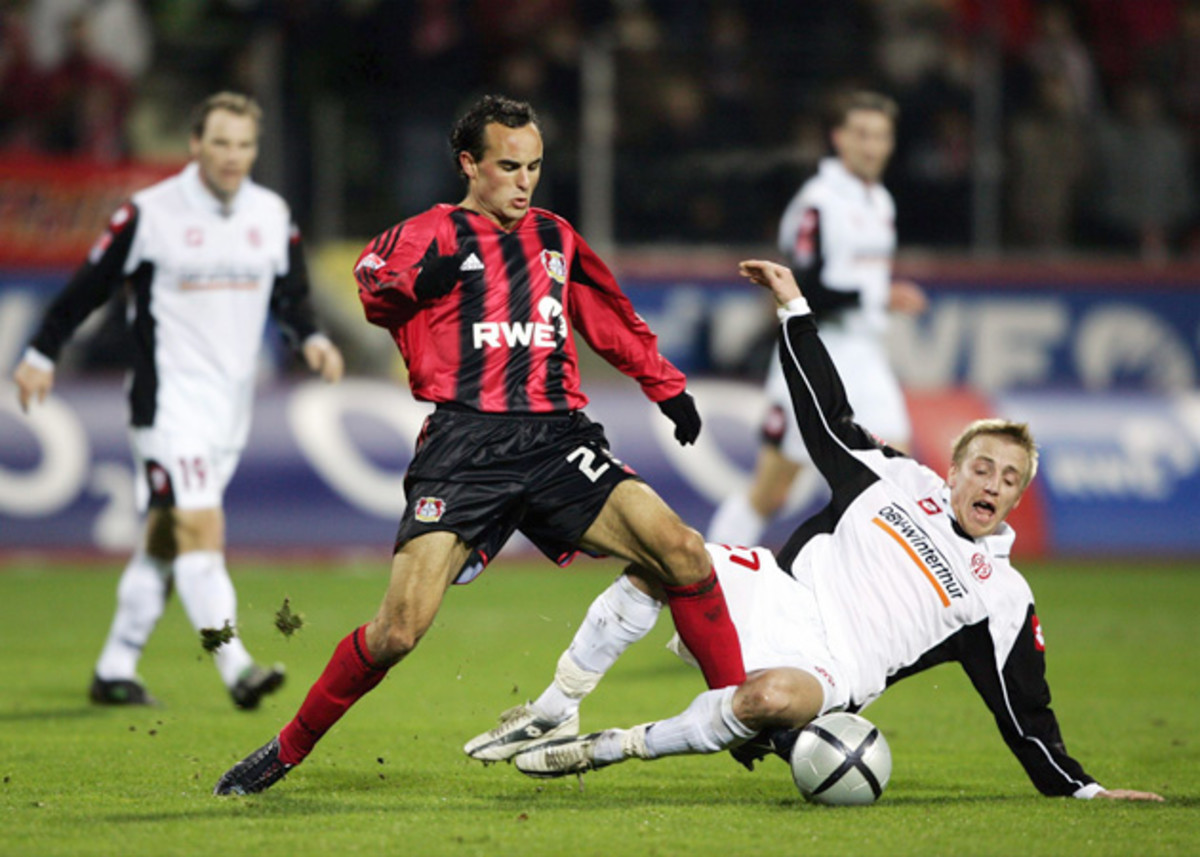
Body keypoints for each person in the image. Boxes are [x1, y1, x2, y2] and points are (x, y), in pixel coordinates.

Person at [470, 260, 1163, 803]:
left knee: (770, 699)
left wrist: (1080, 787)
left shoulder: (1003, 596)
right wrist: (795, 310)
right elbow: (825, 414)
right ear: (952, 469)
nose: (992, 484)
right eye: (982, 467)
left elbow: (1025, 709)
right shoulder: (892, 478)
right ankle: (557, 706)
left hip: (836, 667)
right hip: (776, 590)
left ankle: (606, 748)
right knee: (662, 552)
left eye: (1009, 479)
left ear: (1018, 497)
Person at [213, 94, 747, 795]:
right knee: (399, 630)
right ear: (470, 164)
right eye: (508, 166)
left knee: (680, 549)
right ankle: (285, 747)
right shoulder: (427, 232)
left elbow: (608, 315)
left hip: (557, 435)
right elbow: (372, 286)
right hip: (465, 442)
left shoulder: (555, 237)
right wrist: (420, 280)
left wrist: (665, 385)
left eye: (534, 167)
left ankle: (742, 713)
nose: (524, 182)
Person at [11, 91, 345, 709]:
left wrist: (315, 338)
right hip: (166, 404)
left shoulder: (270, 214)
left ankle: (115, 667)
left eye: (244, 145)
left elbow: (291, 295)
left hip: (231, 408)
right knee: (199, 526)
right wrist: (39, 354)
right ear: (195, 145)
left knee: (166, 539)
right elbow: (89, 287)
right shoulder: (151, 213)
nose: (232, 156)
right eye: (220, 142)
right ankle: (236, 667)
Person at [707, 91, 928, 547]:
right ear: (840, 139)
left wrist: (876, 299)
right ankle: (707, 583)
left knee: (899, 477)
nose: (871, 146)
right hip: (814, 346)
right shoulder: (819, 202)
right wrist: (879, 294)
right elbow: (802, 286)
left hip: (865, 354)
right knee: (772, 490)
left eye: (881, 136)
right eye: (862, 135)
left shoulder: (881, 202)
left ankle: (870, 593)